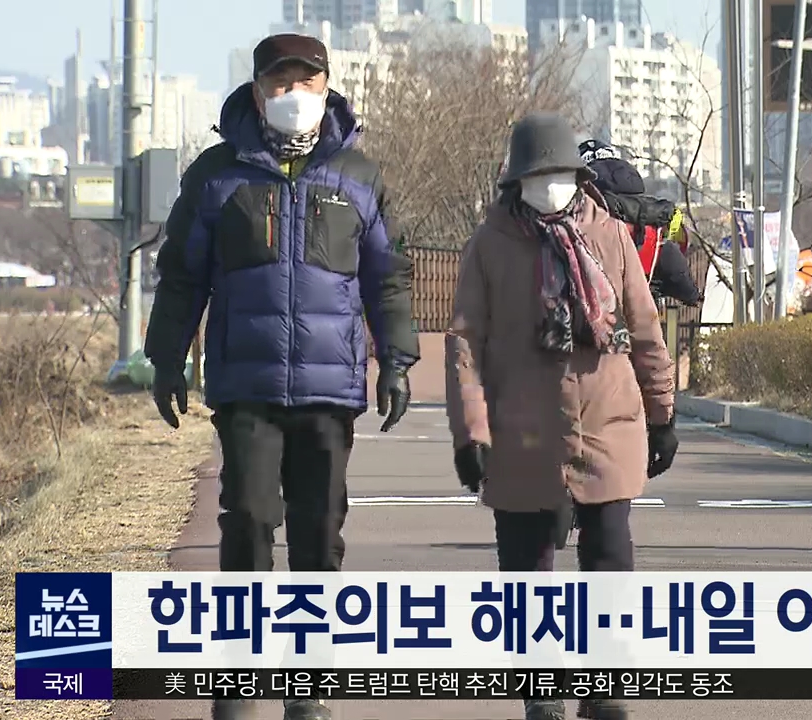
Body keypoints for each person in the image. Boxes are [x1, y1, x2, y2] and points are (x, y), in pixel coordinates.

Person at [144, 32, 419, 720]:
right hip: (246, 386)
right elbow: (182, 275)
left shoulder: (358, 177)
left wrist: (397, 360)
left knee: (319, 533)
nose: (294, 94)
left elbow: (387, 277)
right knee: (247, 522)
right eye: (280, 82)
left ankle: (310, 685)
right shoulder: (217, 176)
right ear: (258, 90)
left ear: (326, 88)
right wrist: (166, 357)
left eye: (307, 81)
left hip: (329, 389)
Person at [445, 113, 678, 720]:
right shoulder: (490, 244)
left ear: (578, 176)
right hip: (521, 432)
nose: (550, 185)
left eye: (560, 173)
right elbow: (466, 343)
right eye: (538, 174)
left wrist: (662, 413)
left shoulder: (610, 236)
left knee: (609, 559)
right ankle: (542, 693)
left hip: (607, 422)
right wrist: (471, 433)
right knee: (528, 569)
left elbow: (645, 328)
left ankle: (606, 690)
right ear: (516, 180)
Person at [577, 139, 703, 307]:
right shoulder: (651, 214)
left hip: (591, 303)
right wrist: (691, 295)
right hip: (641, 302)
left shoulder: (583, 215)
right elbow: (671, 255)